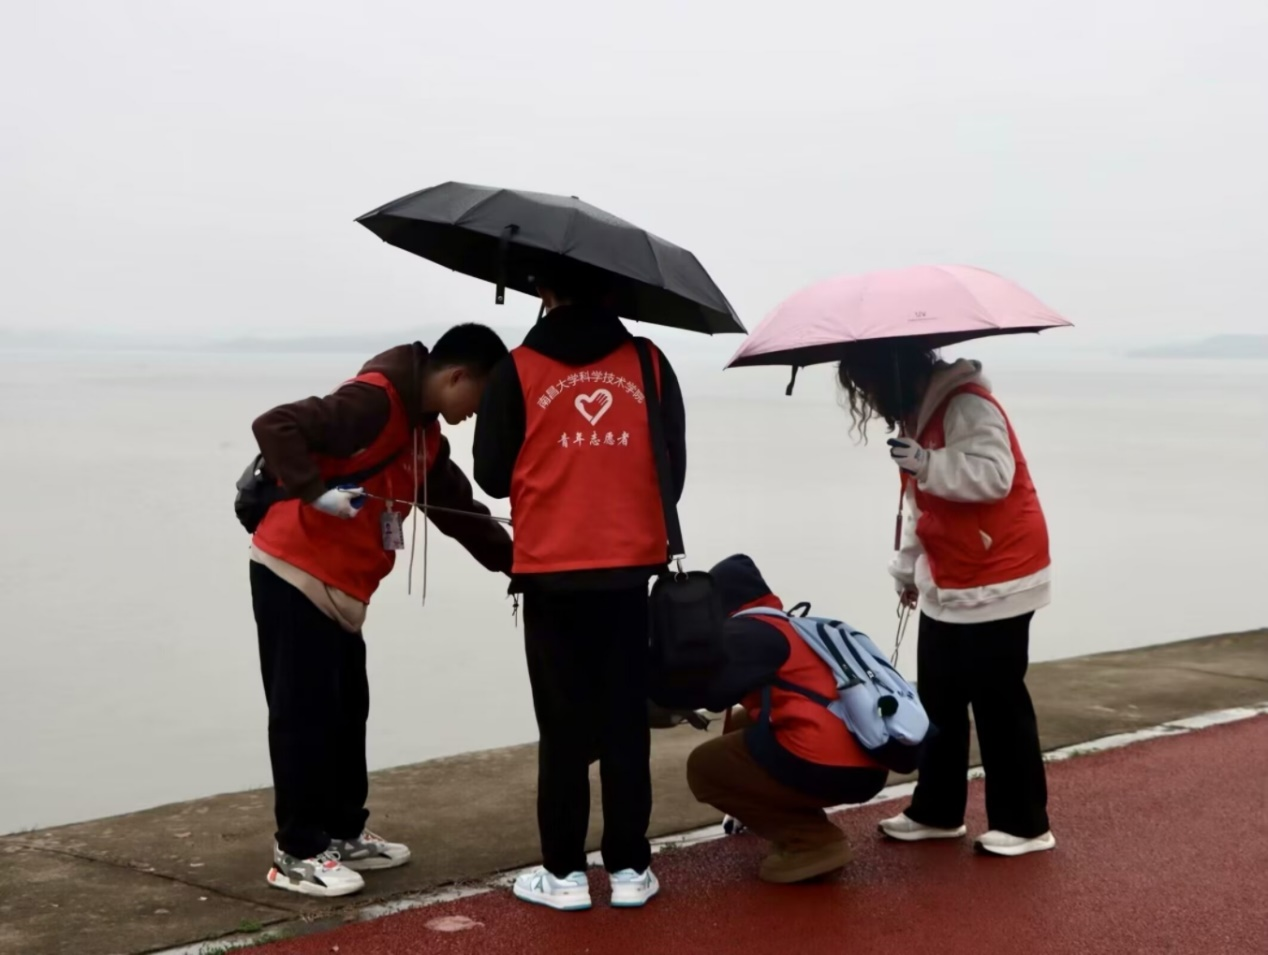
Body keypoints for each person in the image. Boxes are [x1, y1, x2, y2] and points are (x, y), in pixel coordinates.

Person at [249, 324, 514, 897]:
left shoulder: (426, 437)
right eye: (481, 401)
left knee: (347, 711)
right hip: (293, 569)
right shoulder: (374, 401)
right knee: (302, 715)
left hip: (344, 587)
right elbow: (275, 424)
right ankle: (295, 852)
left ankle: (343, 832)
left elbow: (459, 510)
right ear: (456, 377)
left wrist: (522, 565)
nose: (477, 415)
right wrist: (314, 490)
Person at [473, 264, 686, 911]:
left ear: (546, 290)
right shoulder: (648, 363)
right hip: (627, 573)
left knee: (561, 727)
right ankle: (628, 868)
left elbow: (488, 475)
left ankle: (563, 874)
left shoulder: (518, 368)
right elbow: (671, 472)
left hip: (549, 575)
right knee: (626, 720)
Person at [836, 341, 1055, 857]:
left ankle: (1026, 824)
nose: (865, 398)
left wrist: (928, 461)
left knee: (1000, 703)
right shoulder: (917, 418)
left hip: (1001, 575)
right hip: (949, 578)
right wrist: (908, 569)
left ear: (893, 371)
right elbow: (921, 506)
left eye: (865, 385)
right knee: (937, 702)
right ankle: (936, 810)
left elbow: (994, 476)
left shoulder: (968, 404)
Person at [677, 555, 888, 883]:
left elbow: (705, 696)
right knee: (748, 718)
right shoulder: (793, 626)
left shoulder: (745, 632)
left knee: (704, 768)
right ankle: (802, 819)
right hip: (873, 760)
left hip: (831, 767)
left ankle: (811, 840)